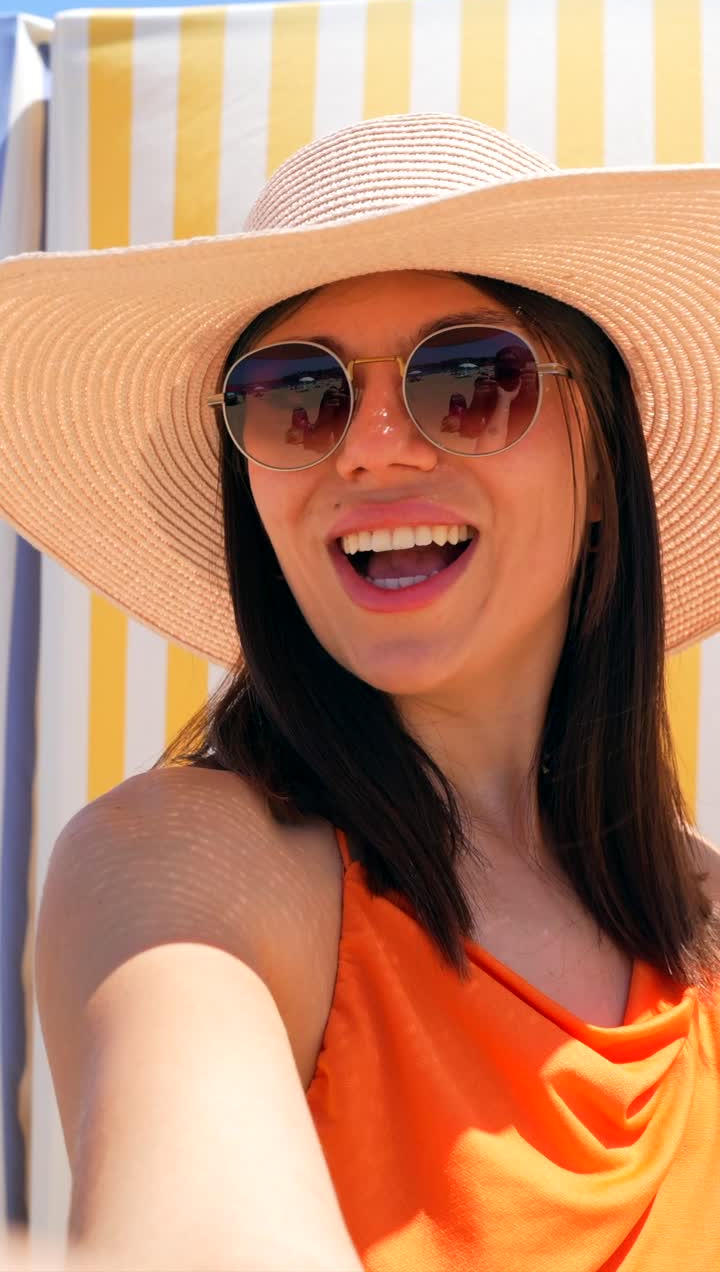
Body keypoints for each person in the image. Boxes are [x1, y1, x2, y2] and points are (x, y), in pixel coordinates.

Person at [0, 112, 719, 1272]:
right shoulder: (189, 869)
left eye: (473, 378)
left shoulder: (709, 923)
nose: (373, 448)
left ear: (602, 466)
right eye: (299, 395)